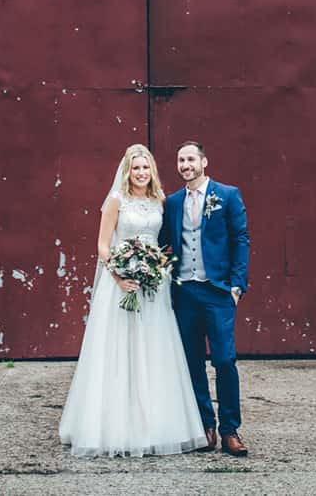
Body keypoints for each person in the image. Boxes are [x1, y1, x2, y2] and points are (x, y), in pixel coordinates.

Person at [58, 143, 209, 457]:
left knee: (154, 351)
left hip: (154, 288)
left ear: (152, 171)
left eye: (145, 168)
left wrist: (156, 268)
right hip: (122, 285)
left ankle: (154, 423)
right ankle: (115, 424)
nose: (141, 173)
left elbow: (165, 242)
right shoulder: (116, 201)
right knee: (119, 352)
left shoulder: (160, 200)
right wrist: (118, 274)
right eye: (136, 168)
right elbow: (102, 245)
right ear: (127, 171)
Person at [159, 141, 251, 456]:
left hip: (218, 291)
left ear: (203, 162)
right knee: (192, 361)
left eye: (190, 159)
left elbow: (241, 239)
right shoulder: (172, 202)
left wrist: (237, 285)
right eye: (180, 160)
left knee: (224, 360)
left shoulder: (227, 195)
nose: (185, 165)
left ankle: (230, 430)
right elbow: (162, 244)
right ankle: (205, 426)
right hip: (184, 292)